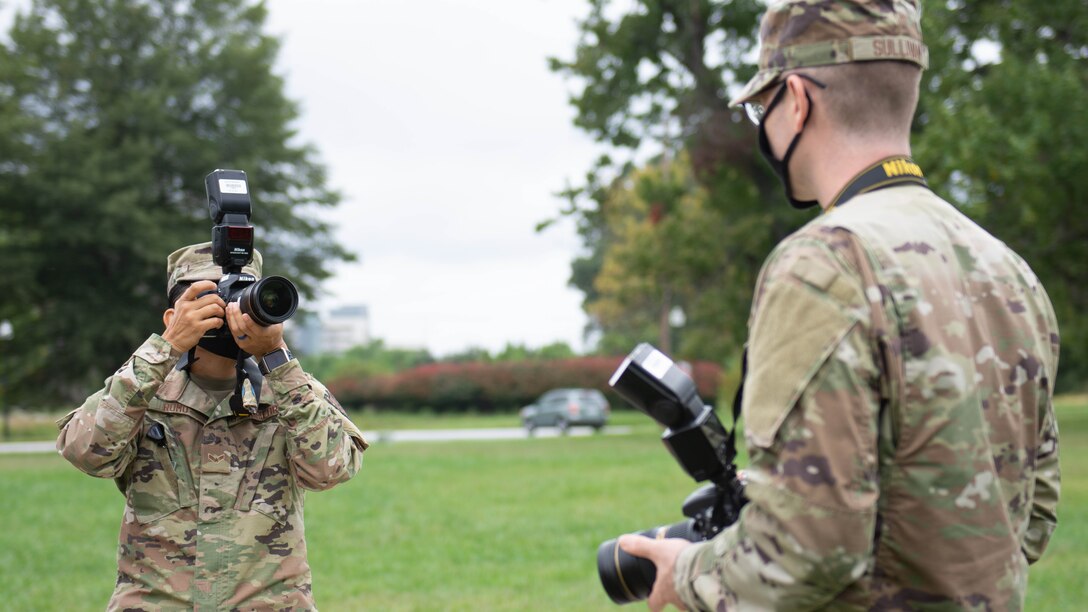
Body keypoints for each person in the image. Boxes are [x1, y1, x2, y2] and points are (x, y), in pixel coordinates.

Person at [618, 0, 1061, 609]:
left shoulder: (824, 264)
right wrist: (805, 484)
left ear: (796, 99)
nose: (761, 123)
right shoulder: (1010, 272)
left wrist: (689, 569)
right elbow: (1028, 516)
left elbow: (804, 554)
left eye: (759, 106)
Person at [57, 242, 368, 610]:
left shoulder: (290, 389)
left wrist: (277, 360)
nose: (229, 313)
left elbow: (331, 470)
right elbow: (86, 453)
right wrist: (166, 347)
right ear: (174, 315)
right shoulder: (141, 391)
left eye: (242, 298)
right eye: (211, 299)